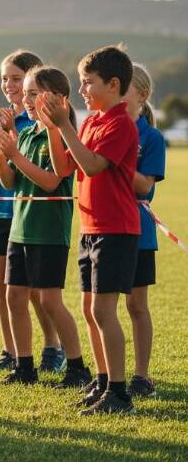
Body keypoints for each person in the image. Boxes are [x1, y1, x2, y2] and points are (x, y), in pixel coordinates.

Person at [44, 45, 140, 415]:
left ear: (113, 84)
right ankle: (102, 382)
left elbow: (94, 165)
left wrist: (65, 124)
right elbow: (65, 168)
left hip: (116, 229)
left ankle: (119, 393)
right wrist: (56, 128)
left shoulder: (119, 124)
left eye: (88, 83)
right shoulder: (91, 121)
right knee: (89, 310)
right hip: (90, 227)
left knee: (103, 311)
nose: (82, 90)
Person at [0, 66, 91, 388]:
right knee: (15, 296)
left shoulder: (58, 134)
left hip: (48, 233)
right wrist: (3, 153)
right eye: (27, 93)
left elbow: (50, 180)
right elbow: (9, 181)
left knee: (49, 301)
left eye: (35, 93)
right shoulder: (28, 132)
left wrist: (14, 152)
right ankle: (24, 366)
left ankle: (76, 367)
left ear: (59, 99)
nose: (27, 100)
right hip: (20, 228)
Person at [122, 63, 165, 398]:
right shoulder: (102, 127)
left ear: (141, 95)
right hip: (104, 230)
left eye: (124, 90)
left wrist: (118, 158)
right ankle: (110, 376)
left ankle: (141, 375)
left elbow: (144, 190)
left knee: (136, 306)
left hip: (138, 234)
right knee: (99, 308)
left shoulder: (150, 138)